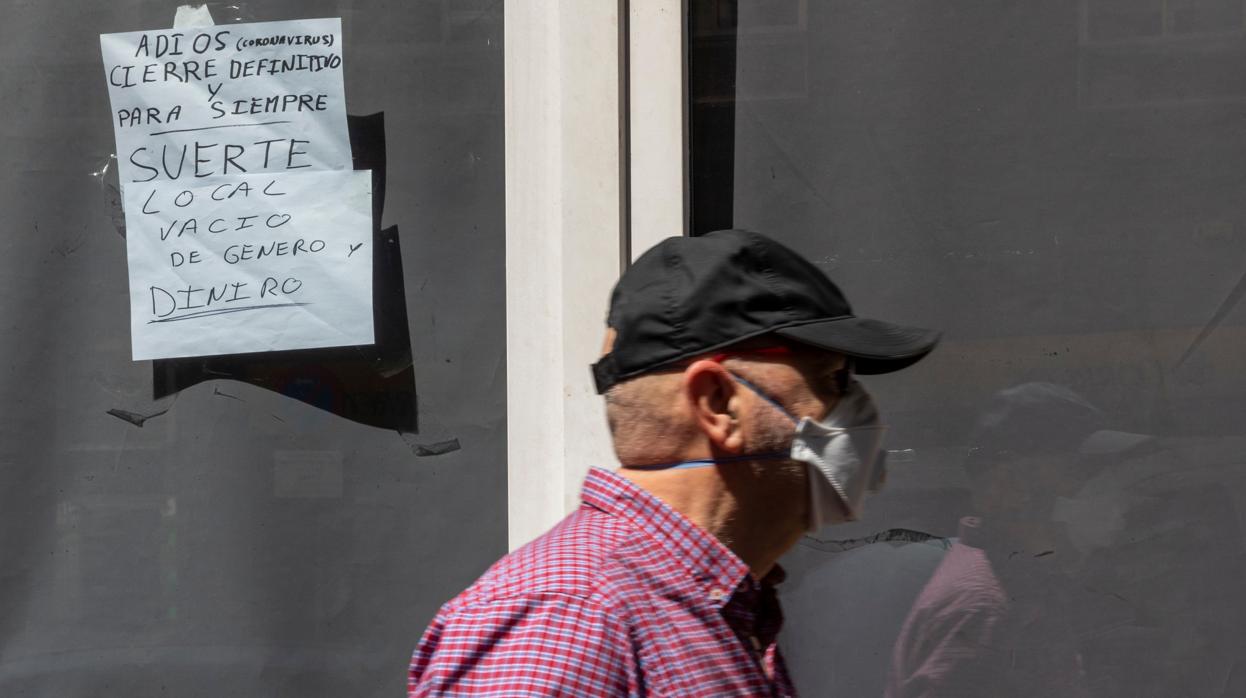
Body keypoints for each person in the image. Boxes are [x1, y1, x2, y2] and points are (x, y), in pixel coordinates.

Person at [408, 229, 940, 696]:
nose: (860, 409)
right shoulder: (569, 618)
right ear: (717, 403)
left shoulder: (718, 608)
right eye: (833, 379)